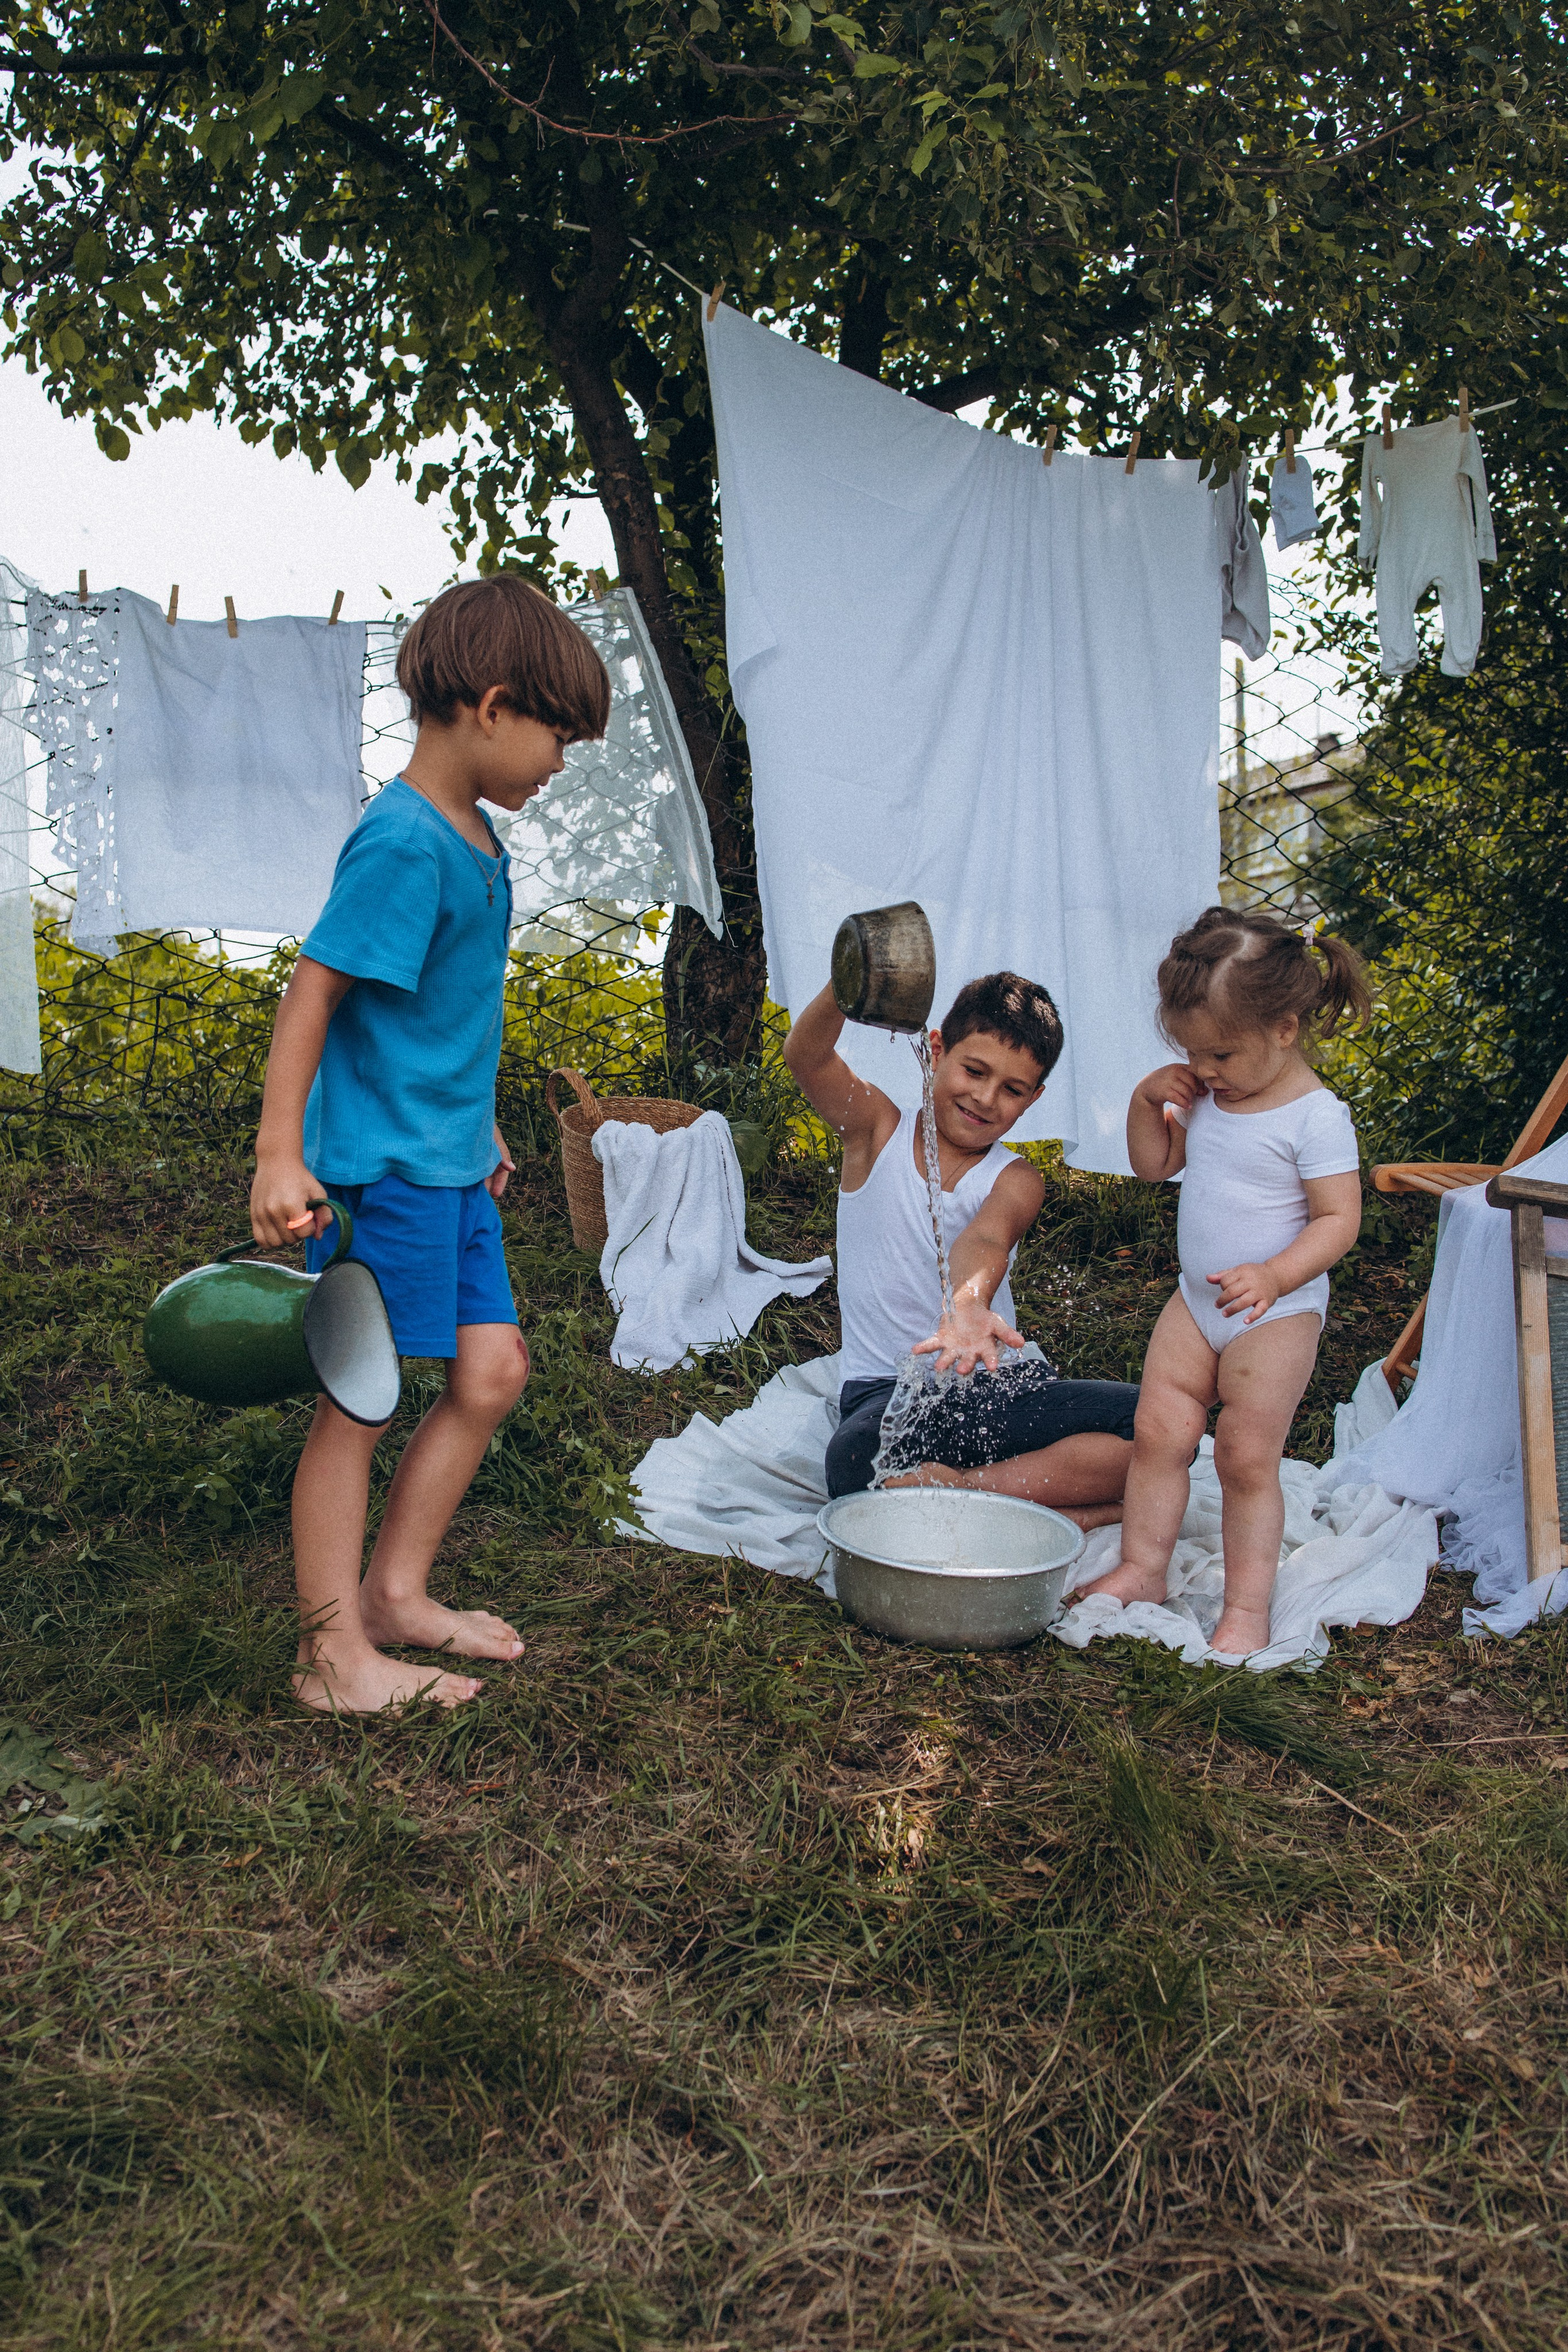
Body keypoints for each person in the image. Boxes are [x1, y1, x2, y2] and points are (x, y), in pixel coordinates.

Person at [249, 577, 611, 1713]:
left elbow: (430, 1017)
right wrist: (278, 1155)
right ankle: (329, 1658)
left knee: (491, 1373)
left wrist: (477, 1120)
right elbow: (315, 993)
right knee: (359, 1401)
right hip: (385, 1175)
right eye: (559, 734)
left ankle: (395, 1594)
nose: (561, 761)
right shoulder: (405, 843)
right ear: (493, 707)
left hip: (445, 1163)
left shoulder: (476, 840)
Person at [1082, 906, 1370, 1658]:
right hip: (1196, 1302)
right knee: (1158, 1433)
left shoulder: (1314, 1118)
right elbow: (1157, 1165)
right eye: (1190, 1052)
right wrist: (1147, 1104)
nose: (1204, 1069)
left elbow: (1339, 1220)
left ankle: (1245, 1605)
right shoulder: (1213, 1098)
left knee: (1244, 1457)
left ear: (1284, 1029)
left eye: (1220, 1053)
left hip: (1275, 1313)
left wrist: (1275, 1274)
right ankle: (1143, 1567)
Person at [783, 970, 1141, 1517]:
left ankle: (966, 1490)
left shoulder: (1016, 1178)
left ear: (1034, 1098)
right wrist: (848, 979)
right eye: (974, 1071)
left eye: (1012, 1090)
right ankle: (1055, 1505)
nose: (985, 1098)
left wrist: (968, 1307)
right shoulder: (876, 1131)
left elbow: (986, 1238)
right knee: (855, 1459)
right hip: (888, 1393)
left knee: (1158, 1424)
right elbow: (806, 1057)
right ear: (937, 1051)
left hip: (996, 1387)